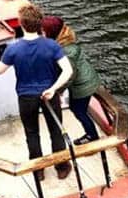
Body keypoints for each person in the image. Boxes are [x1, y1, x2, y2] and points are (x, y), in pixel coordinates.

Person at [0, 4, 74, 181]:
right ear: (40, 24)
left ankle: (38, 171)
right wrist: (53, 89)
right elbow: (67, 71)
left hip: (26, 97)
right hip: (49, 94)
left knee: (32, 133)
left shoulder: (13, 49)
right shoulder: (52, 46)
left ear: (21, 24)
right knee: (55, 130)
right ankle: (62, 167)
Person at [42, 16, 103, 145]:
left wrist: (58, 90)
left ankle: (92, 135)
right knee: (78, 109)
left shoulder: (65, 51)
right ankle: (91, 133)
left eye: (43, 31)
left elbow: (70, 75)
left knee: (78, 110)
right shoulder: (67, 43)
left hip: (82, 86)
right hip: (89, 80)